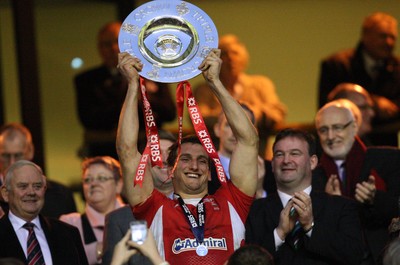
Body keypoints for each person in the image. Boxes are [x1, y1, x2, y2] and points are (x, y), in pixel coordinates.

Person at [117, 49, 259, 264]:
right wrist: (133, 85)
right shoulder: (154, 207)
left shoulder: (232, 202)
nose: (195, 165)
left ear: (210, 174)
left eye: (203, 161)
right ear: (170, 170)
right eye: (185, 159)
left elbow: (249, 141)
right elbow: (127, 151)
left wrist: (215, 84)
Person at [245, 128, 365, 265]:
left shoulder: (342, 207)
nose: (286, 160)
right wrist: (279, 233)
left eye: (295, 153)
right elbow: (245, 261)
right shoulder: (254, 210)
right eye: (279, 154)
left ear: (312, 162)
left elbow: (354, 255)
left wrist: (310, 226)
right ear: (272, 164)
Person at [314, 99, 400, 264]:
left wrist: (376, 198)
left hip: (384, 256)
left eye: (337, 127)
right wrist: (332, 205)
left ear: (354, 127)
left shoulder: (389, 159)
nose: (330, 136)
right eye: (324, 130)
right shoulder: (314, 177)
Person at [74, 21, 176, 159]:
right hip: (106, 150)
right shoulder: (87, 80)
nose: (113, 48)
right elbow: (89, 118)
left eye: (117, 41)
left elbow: (169, 112)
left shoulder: (151, 72)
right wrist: (135, 102)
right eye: (106, 44)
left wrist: (142, 99)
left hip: (148, 148)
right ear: (99, 48)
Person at [193, 34, 286, 158]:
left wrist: (257, 112)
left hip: (258, 158)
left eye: (235, 53)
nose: (230, 59)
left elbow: (278, 113)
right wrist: (240, 113)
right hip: (218, 161)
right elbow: (199, 119)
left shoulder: (261, 84)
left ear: (244, 58)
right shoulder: (205, 89)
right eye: (225, 54)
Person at [318, 12, 400, 147]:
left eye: (393, 37)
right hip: (344, 148)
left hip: (386, 149)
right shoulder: (336, 65)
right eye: (383, 36)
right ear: (365, 36)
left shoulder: (398, 68)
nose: (389, 42)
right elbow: (326, 109)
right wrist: (375, 103)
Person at [102, 130, 176, 265]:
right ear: (142, 161)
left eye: (171, 153)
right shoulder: (118, 220)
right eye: (156, 153)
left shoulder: (199, 210)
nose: (164, 159)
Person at [0, 160, 88, 264]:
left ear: (44, 190)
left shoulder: (68, 234)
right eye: (23, 186)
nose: (31, 192)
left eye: (37, 186)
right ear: (5, 193)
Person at [0, 123, 77, 218]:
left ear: (30, 152)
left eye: (18, 155)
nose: (12, 163)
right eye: (5, 156)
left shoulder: (61, 196)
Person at [60, 156, 125, 265]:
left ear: (119, 184)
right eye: (88, 180)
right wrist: (102, 248)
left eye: (102, 178)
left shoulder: (136, 216)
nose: (94, 184)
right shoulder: (70, 223)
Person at [208, 103, 271, 198]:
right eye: (229, 125)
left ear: (255, 132)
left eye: (244, 126)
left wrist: (258, 191)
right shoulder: (203, 168)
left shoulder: (270, 171)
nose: (236, 131)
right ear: (217, 129)